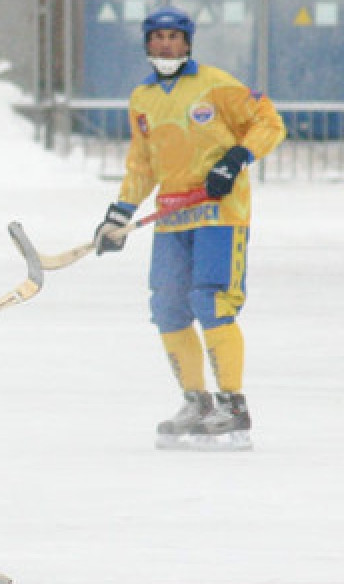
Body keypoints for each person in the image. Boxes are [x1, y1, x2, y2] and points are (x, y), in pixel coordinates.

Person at [91, 6, 285, 451]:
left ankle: (233, 404)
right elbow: (142, 163)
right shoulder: (142, 97)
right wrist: (120, 212)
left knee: (212, 299)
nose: (165, 45)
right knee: (169, 307)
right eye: (156, 37)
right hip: (172, 217)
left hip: (219, 215)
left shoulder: (217, 84)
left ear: (188, 43)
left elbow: (270, 123)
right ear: (146, 44)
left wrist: (235, 159)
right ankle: (196, 402)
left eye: (173, 38)